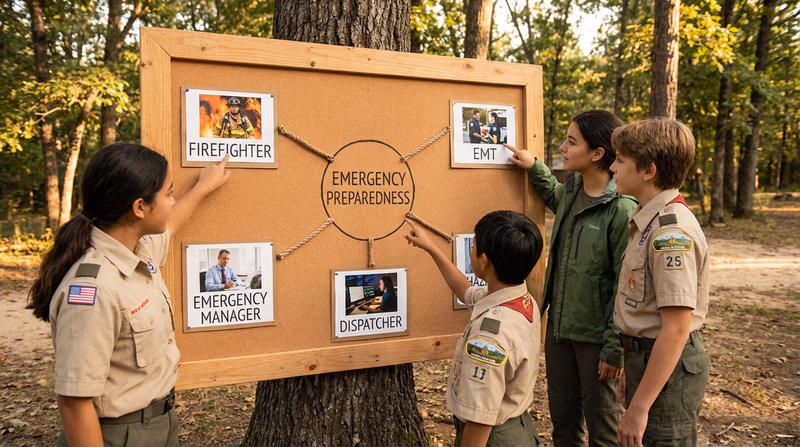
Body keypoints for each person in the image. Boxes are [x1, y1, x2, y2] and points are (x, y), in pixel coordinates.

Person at [27, 143, 231, 447]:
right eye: (168, 193)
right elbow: (74, 402)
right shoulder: (93, 291)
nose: (172, 201)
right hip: (118, 435)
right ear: (139, 208)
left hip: (159, 424)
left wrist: (203, 187)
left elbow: (171, 223)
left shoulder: (137, 248)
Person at [505, 110, 636, 447]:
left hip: (596, 341)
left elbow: (626, 284)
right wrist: (533, 166)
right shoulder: (573, 188)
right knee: (563, 424)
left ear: (597, 154)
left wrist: (612, 348)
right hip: (559, 332)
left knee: (602, 428)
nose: (562, 147)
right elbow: (555, 195)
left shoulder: (620, 209)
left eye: (571, 141)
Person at [609, 118, 710, 447]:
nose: (612, 167)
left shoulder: (669, 232)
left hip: (668, 367)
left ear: (648, 171)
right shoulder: (649, 218)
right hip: (649, 359)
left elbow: (676, 328)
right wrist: (633, 367)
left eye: (620, 160)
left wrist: (639, 408)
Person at [404, 211, 543, 447]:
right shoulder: (518, 299)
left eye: (473, 245)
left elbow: (480, 421)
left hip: (492, 438)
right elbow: (466, 292)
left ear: (483, 261)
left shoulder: (489, 338)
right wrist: (431, 248)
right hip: (518, 428)